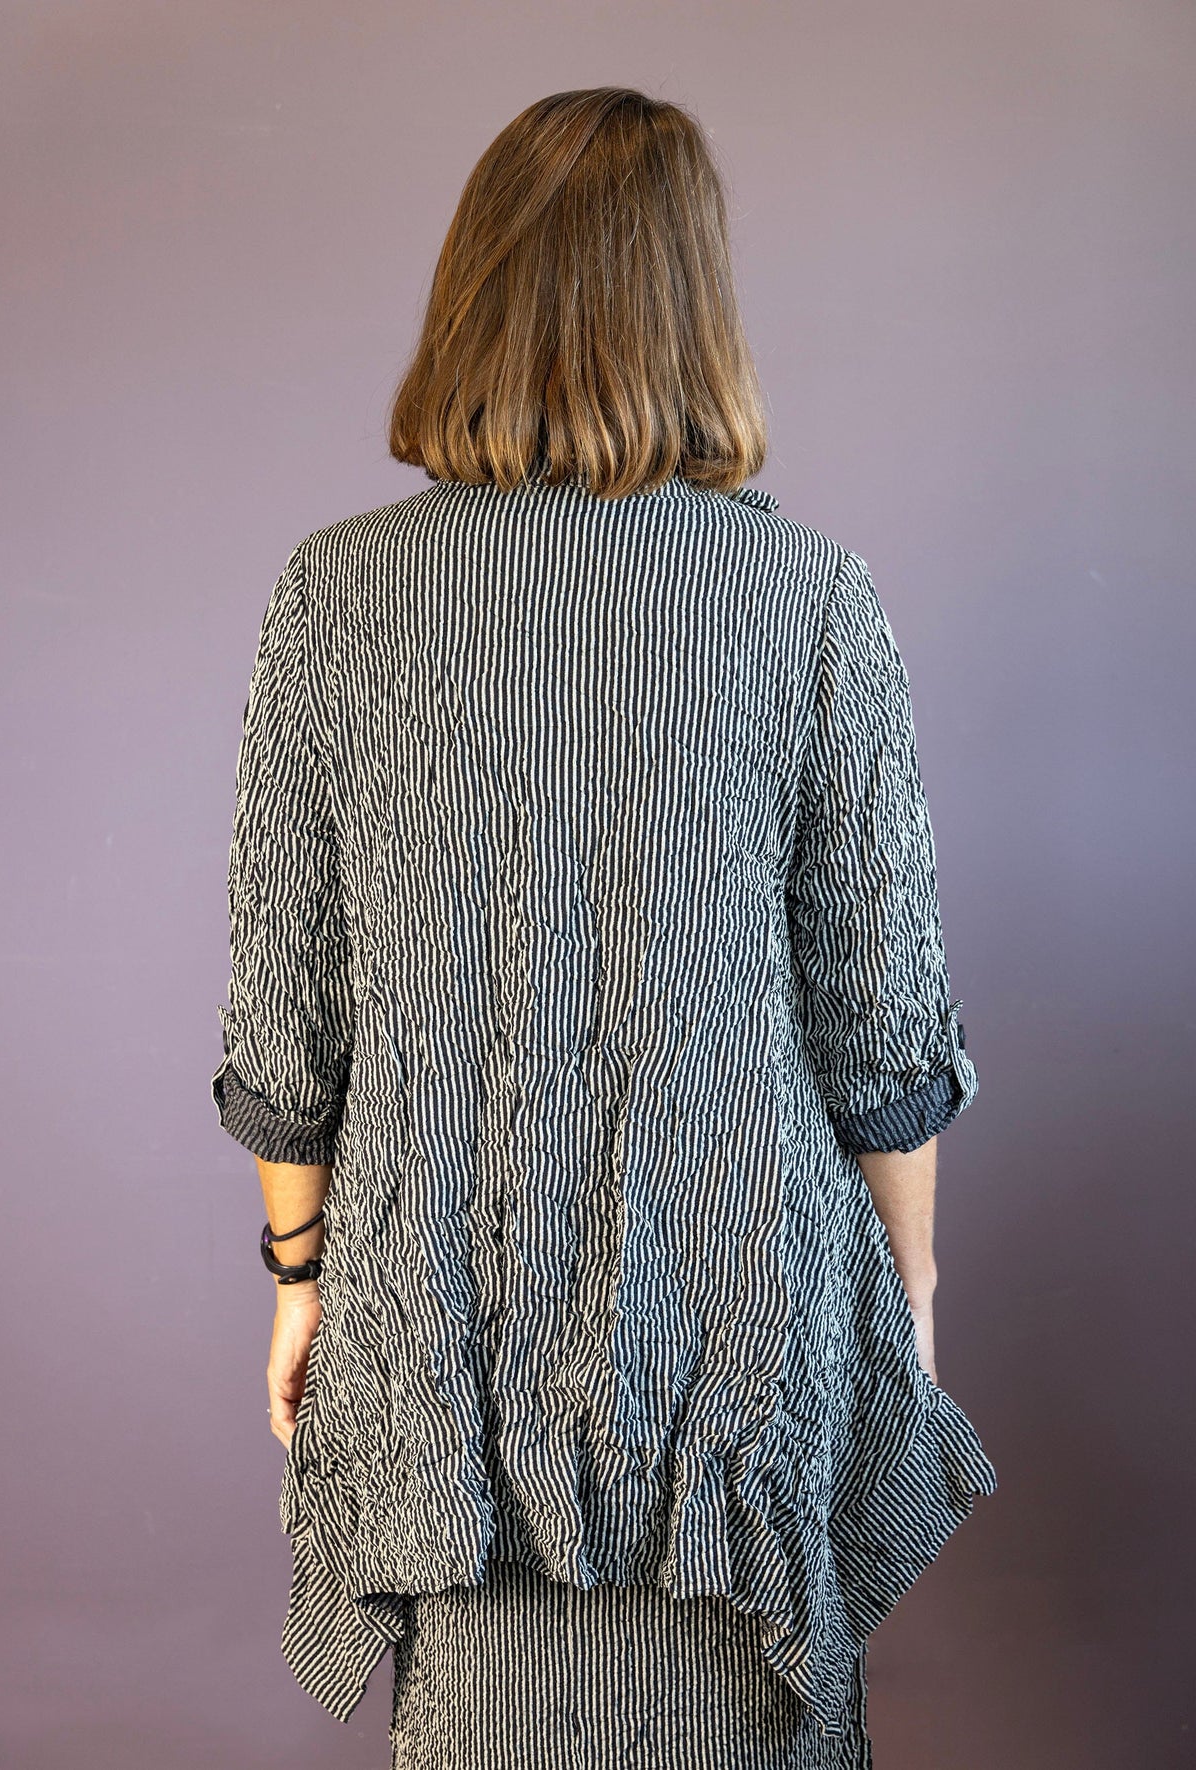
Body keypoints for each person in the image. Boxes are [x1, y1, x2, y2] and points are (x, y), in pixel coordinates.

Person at [210, 85, 996, 1770]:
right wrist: (910, 1287)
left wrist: (300, 1279)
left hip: (447, 1323)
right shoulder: (813, 603)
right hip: (743, 1332)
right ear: (698, 310)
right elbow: (883, 1032)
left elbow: (285, 1019)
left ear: (471, 297)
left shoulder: (333, 594)